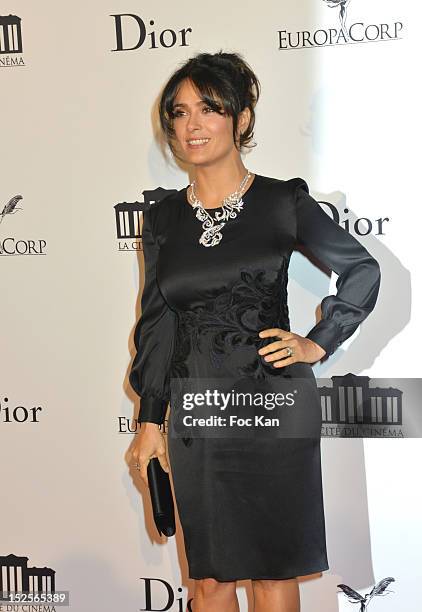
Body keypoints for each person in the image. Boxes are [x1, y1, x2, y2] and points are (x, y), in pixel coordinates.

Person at [129, 50, 381, 612]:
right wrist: (149, 421)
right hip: (198, 411)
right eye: (180, 111)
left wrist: (319, 340)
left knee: (271, 573)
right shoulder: (164, 219)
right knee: (210, 580)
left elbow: (363, 270)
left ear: (241, 119)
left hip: (270, 403)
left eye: (209, 109)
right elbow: (158, 323)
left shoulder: (280, 202)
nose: (192, 125)